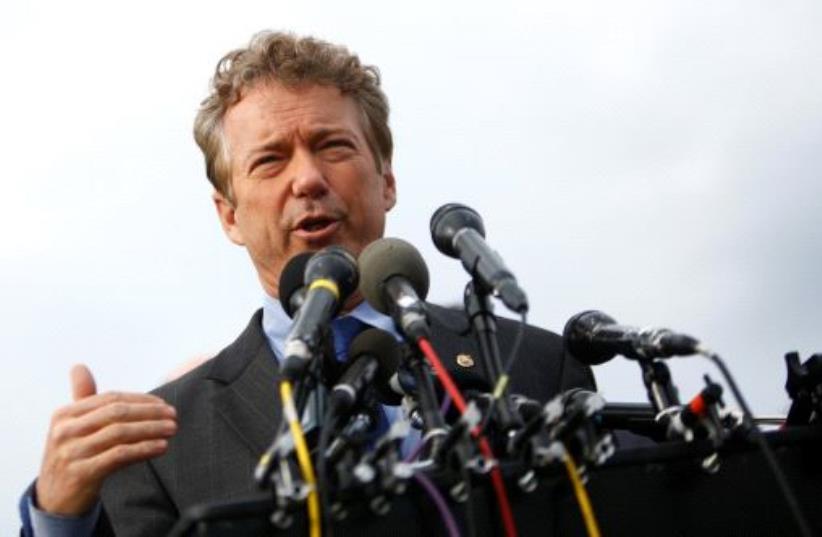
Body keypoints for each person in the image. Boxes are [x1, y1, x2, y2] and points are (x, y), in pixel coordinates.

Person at [20, 31, 595, 536]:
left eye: (333, 146)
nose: (309, 179)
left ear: (387, 181)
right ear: (229, 216)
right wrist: (60, 516)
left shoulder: (539, 364)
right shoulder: (159, 442)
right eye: (270, 160)